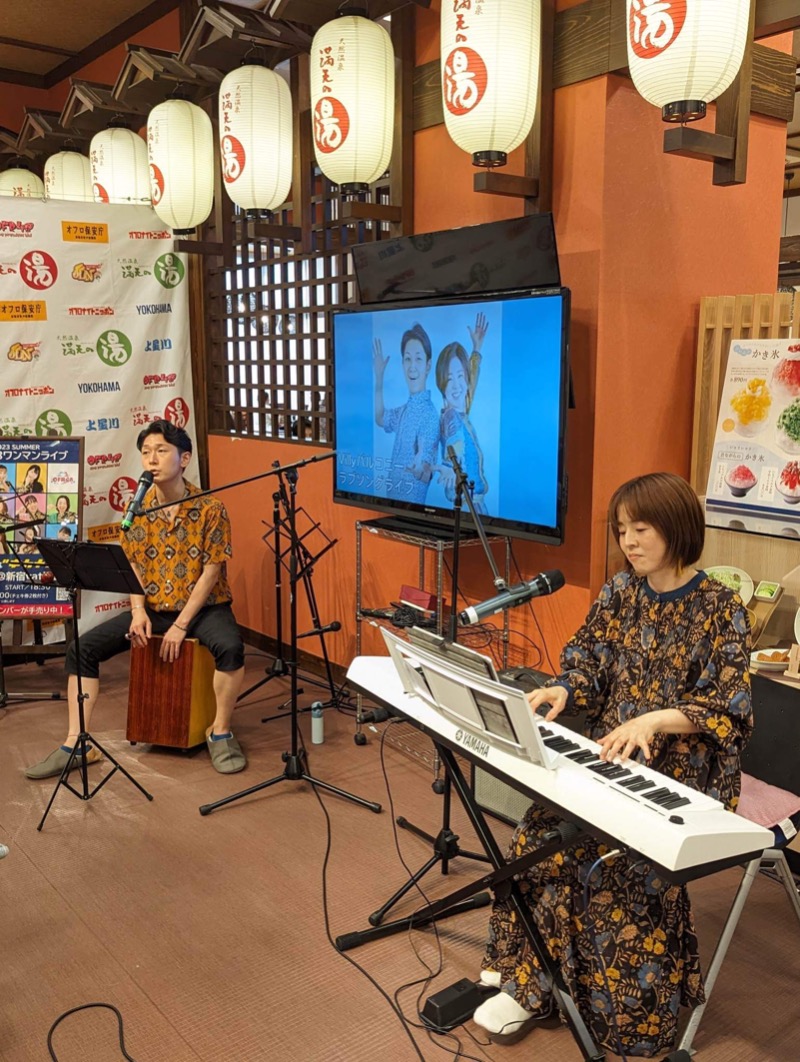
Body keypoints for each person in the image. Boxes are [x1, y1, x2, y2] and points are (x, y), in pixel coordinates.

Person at [472, 472, 752, 1058]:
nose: (629, 541)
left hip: (682, 774)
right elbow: (589, 662)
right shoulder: (619, 593)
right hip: (613, 757)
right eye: (622, 529)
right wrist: (564, 691)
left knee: (607, 864)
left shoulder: (720, 607)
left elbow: (728, 706)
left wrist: (654, 719)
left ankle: (620, 1011)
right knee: (538, 835)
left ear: (676, 528)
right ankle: (536, 983)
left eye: (641, 528)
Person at [25, 420, 247, 780]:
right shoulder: (137, 508)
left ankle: (220, 731)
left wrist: (180, 626)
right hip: (155, 606)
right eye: (145, 453)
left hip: (204, 608)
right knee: (82, 649)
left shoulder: (210, 508)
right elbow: (134, 565)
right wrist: (138, 611)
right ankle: (76, 744)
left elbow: (211, 572)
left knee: (231, 648)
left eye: (161, 451)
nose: (151, 460)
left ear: (184, 458)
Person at [373, 323, 440, 503]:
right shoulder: (404, 410)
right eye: (407, 359)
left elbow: (425, 470)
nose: (412, 367)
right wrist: (379, 378)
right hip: (392, 510)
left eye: (418, 359)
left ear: (428, 365)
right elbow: (380, 418)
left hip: (413, 512)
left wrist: (421, 467)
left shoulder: (430, 416)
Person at [435, 313, 489, 513]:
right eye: (450, 379)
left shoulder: (460, 412)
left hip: (475, 505)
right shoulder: (450, 418)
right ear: (442, 383)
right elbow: (453, 442)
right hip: (468, 509)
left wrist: (476, 351)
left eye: (461, 376)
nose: (457, 386)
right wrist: (449, 466)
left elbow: (470, 386)